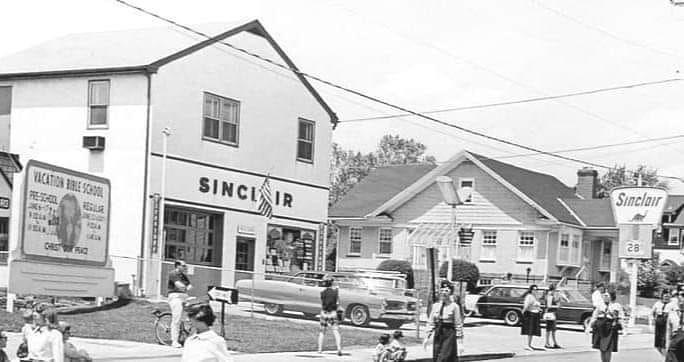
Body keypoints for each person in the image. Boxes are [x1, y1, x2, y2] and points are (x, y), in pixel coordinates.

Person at [426, 279, 463, 361]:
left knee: (443, 357)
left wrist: (460, 342)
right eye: (442, 290)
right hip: (438, 333)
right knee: (436, 356)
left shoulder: (454, 307)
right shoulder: (435, 306)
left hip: (449, 333)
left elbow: (458, 324)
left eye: (446, 290)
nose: (444, 292)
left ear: (450, 292)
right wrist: (427, 337)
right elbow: (431, 322)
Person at [590, 290, 623, 362]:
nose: (604, 297)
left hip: (610, 328)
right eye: (604, 295)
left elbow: (620, 317)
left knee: (608, 348)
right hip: (601, 327)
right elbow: (594, 316)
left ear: (611, 297)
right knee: (602, 348)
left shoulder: (616, 305)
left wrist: (624, 329)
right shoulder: (600, 305)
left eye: (607, 295)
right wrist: (590, 326)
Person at [168, 260, 193, 348]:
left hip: (184, 296)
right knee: (177, 318)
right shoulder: (173, 274)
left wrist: (186, 287)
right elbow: (179, 285)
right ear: (178, 266)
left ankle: (184, 336)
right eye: (183, 265)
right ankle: (174, 341)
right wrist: (185, 287)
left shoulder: (184, 276)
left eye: (185, 266)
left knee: (189, 317)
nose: (185, 267)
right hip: (175, 296)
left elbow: (190, 286)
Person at [318, 275, 342, 356]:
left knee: (322, 332)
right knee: (336, 331)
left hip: (324, 313)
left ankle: (320, 349)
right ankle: (339, 348)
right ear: (331, 282)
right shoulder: (335, 292)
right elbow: (338, 303)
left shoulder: (322, 292)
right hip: (333, 312)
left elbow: (323, 302)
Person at [521, 284, 542, 351]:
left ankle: (530, 344)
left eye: (536, 289)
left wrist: (539, 309)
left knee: (533, 330)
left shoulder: (535, 297)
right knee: (529, 330)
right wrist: (523, 312)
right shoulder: (529, 296)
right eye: (534, 289)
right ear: (531, 290)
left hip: (536, 314)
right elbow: (527, 305)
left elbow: (537, 305)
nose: (535, 290)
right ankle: (527, 345)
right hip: (530, 314)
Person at [543, 284, 561, 349]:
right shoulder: (550, 295)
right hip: (550, 314)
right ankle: (547, 343)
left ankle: (553, 342)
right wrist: (557, 306)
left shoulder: (549, 295)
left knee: (552, 329)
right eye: (555, 289)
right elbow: (549, 305)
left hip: (551, 313)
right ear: (553, 289)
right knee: (550, 329)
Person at [654, 290, 672, 356]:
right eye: (665, 296)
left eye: (668, 296)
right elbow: (653, 312)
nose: (666, 298)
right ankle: (661, 354)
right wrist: (654, 319)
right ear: (662, 297)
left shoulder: (672, 304)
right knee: (658, 339)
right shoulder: (657, 303)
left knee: (665, 338)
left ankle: (666, 355)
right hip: (659, 320)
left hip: (667, 321)